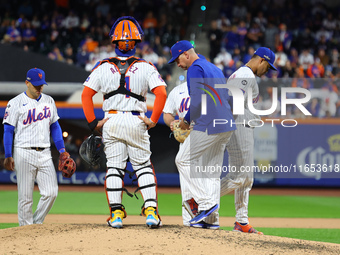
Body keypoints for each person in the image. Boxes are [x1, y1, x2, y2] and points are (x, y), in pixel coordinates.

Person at [81, 16, 167, 229]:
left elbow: (85, 95)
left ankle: (116, 214)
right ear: (136, 42)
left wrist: (93, 124)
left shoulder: (102, 66)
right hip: (136, 119)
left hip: (111, 119)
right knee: (143, 166)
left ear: (114, 42)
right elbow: (162, 93)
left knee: (114, 169)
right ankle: (150, 213)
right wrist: (154, 120)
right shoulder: (146, 66)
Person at [168, 40, 235, 228]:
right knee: (212, 174)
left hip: (209, 124)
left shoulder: (195, 68)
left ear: (186, 54)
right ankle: (211, 221)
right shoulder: (214, 68)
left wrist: (185, 121)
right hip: (226, 124)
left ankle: (206, 203)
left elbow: (196, 102)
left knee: (182, 159)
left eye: (178, 60)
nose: (178, 65)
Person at [220, 47, 277, 234]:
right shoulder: (245, 74)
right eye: (268, 66)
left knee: (246, 179)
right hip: (239, 127)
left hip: (242, 126)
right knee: (240, 177)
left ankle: (241, 221)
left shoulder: (245, 74)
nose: (268, 71)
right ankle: (200, 199)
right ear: (261, 60)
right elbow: (232, 101)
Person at [2, 68, 68, 226]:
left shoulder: (49, 101)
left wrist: (62, 150)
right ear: (27, 83)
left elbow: (55, 127)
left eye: (41, 85)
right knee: (25, 197)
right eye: (36, 85)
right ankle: (25, 230)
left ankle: (35, 224)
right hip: (23, 152)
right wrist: (8, 154)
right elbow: (8, 130)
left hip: (45, 152)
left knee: (51, 193)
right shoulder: (15, 103)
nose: (39, 88)